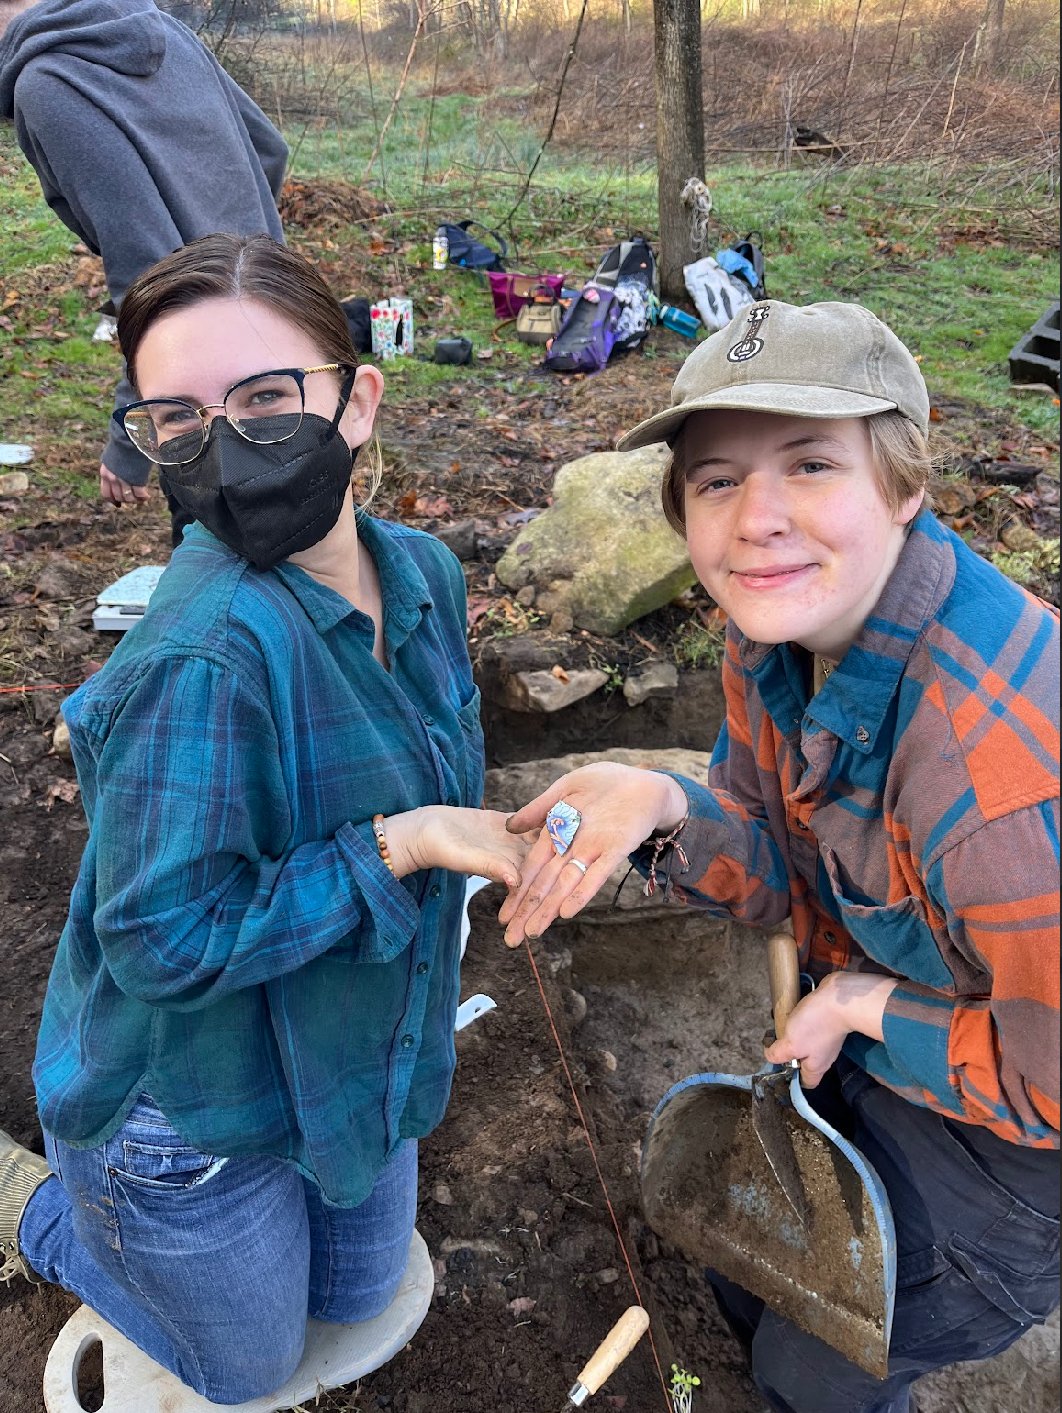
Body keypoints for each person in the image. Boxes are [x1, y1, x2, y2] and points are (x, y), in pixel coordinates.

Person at [499, 300, 1060, 1412]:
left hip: (1023, 1143)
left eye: (810, 464)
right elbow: (776, 868)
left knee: (818, 1370)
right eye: (716, 480)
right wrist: (664, 801)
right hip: (909, 1034)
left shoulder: (995, 792)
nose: (757, 519)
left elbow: (1051, 1089)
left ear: (904, 485)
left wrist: (857, 1005)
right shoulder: (780, 637)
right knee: (741, 1267)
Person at [0, 233, 532, 1404]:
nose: (228, 445)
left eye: (268, 397)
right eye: (178, 420)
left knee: (354, 1296)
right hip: (192, 1105)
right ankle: (38, 1211)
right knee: (245, 1371)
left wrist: (506, 836)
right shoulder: (200, 661)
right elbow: (159, 939)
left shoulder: (426, 577)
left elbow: (441, 773)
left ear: (357, 402)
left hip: (352, 1040)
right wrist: (401, 846)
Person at [0, 0, 288, 542]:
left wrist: (129, 436)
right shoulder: (159, 28)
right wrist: (242, 256)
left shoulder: (47, 81)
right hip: (284, 319)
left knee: (225, 567)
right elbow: (270, 149)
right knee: (301, 541)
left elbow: (149, 272)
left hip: (204, 376)